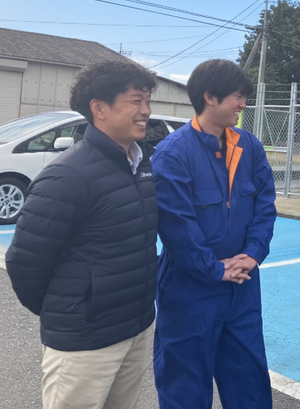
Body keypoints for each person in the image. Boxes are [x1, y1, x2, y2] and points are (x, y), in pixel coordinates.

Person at [5, 59, 158, 409]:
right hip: (84, 340)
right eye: (136, 101)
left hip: (135, 327)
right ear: (99, 108)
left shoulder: (140, 165)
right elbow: (25, 261)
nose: (146, 111)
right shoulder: (68, 175)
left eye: (148, 101)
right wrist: (74, 312)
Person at [151, 59, 277, 409]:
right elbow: (177, 225)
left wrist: (253, 254)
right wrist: (214, 269)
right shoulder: (173, 153)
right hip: (189, 288)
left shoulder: (249, 146)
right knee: (185, 386)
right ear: (210, 97)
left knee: (249, 381)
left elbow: (265, 205)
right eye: (237, 96)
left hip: (242, 284)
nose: (243, 104)